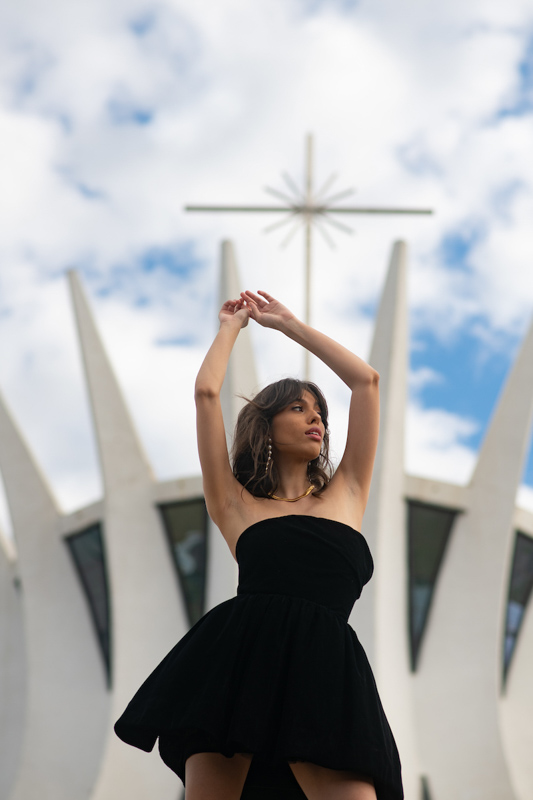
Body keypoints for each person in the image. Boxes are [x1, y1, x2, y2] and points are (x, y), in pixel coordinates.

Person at [115, 290, 403, 800]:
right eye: (298, 408)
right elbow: (206, 393)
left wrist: (289, 325)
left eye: (320, 413)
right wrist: (232, 326)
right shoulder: (235, 504)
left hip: (325, 668)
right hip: (236, 666)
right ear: (267, 425)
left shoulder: (349, 492)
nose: (316, 419)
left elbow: (367, 382)